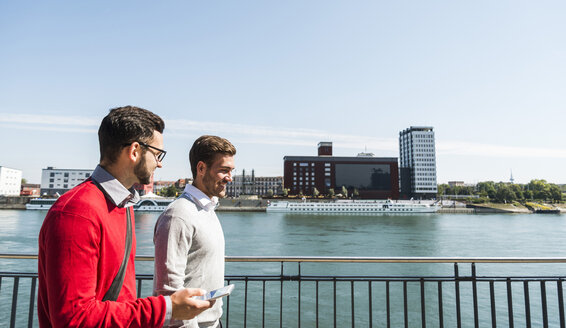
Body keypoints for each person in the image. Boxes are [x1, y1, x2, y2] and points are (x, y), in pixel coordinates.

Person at [38, 106, 214, 328]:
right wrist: (167, 308)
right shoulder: (77, 213)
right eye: (157, 154)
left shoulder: (122, 205)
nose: (159, 163)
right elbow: (74, 319)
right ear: (134, 151)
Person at [153, 135, 236, 328]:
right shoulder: (178, 215)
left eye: (231, 171)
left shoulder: (207, 210)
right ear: (201, 168)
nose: (229, 178)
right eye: (224, 170)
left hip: (212, 323)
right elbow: (169, 292)